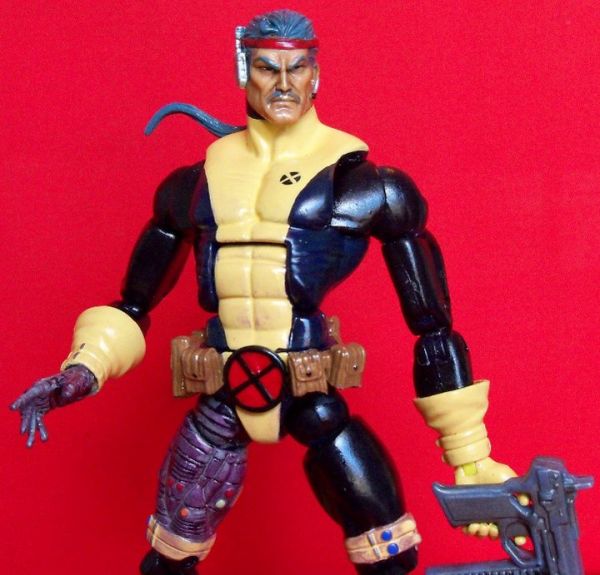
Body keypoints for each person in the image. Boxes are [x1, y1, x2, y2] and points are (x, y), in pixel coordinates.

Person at [11, 10, 517, 575]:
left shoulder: (365, 184)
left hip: (310, 391)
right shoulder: (196, 183)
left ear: (316, 75)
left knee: (388, 549)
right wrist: (84, 369)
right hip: (224, 393)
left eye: (297, 69)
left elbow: (432, 325)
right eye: (266, 68)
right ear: (242, 71)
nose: (283, 84)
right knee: (170, 556)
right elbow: (134, 302)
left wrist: (470, 457)